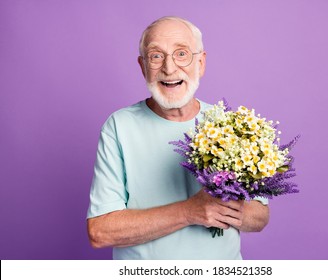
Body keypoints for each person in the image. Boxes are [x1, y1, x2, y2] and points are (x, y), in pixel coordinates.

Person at [86, 16, 269, 260]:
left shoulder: (230, 125)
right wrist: (190, 211)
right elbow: (100, 232)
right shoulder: (119, 127)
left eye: (181, 54)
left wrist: (227, 209)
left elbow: (260, 215)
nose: (169, 68)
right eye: (156, 56)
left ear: (201, 63)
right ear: (142, 67)